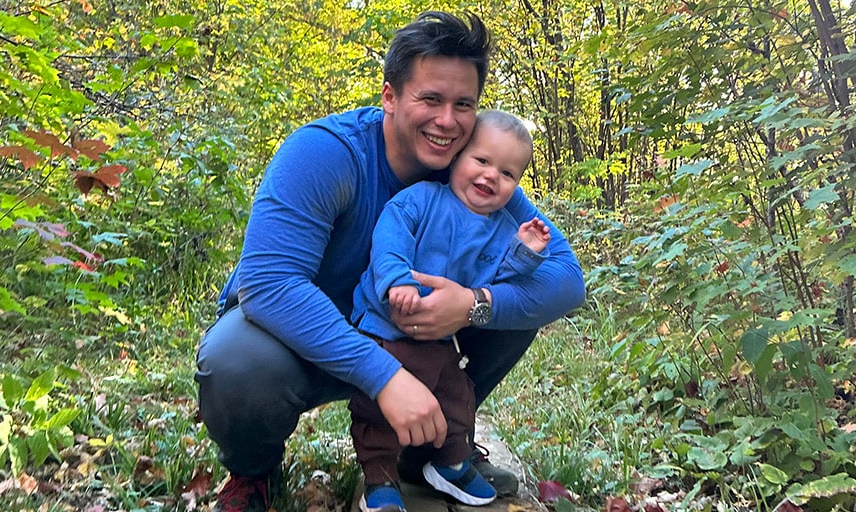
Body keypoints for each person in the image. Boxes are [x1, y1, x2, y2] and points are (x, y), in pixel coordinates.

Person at [194, 11, 586, 512]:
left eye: (463, 104)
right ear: (390, 97)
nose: (447, 121)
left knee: (514, 300)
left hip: (419, 345)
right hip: (302, 344)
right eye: (430, 99)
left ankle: (429, 453)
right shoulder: (325, 154)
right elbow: (268, 284)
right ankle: (253, 472)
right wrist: (382, 375)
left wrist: (473, 305)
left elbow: (566, 280)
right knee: (236, 360)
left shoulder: (474, 172)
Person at [349, 110, 551, 512]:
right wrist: (397, 282)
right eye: (482, 160)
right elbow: (389, 238)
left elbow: (497, 279)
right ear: (457, 156)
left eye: (508, 174)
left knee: (458, 398)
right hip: (385, 331)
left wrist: (524, 253)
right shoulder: (423, 198)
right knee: (378, 412)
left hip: (439, 339)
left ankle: (450, 462)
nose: (492, 176)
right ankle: (380, 479)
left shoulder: (499, 228)